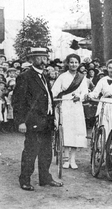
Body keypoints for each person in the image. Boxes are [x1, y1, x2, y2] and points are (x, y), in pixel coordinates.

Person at [12, 47, 63, 191]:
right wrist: (21, 121)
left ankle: (45, 178)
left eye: (45, 57)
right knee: (30, 151)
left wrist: (52, 118)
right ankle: (25, 179)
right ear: (32, 59)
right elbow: (18, 101)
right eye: (39, 57)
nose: (43, 60)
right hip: (32, 122)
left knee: (46, 152)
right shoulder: (25, 76)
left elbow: (48, 99)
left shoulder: (44, 76)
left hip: (46, 121)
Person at [51, 54, 88, 169]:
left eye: (76, 62)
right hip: (65, 105)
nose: (74, 64)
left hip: (77, 107)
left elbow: (85, 93)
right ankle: (66, 159)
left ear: (79, 64)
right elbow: (54, 91)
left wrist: (80, 97)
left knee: (76, 132)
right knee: (67, 131)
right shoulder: (62, 77)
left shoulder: (82, 77)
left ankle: (73, 159)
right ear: (67, 63)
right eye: (71, 62)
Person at [87, 59, 112, 137]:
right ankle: (103, 145)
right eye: (110, 68)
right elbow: (95, 93)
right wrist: (89, 95)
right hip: (105, 104)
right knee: (104, 125)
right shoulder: (102, 80)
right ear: (107, 68)